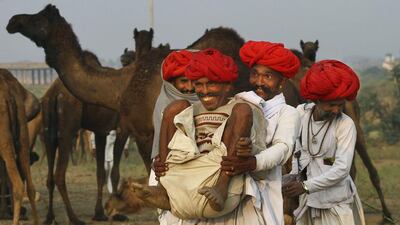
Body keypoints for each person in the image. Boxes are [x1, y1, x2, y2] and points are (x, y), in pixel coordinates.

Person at [153, 41, 301, 225]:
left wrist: (251, 162)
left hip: (259, 193)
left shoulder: (288, 113)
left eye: (268, 76)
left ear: (282, 83)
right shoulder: (237, 101)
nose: (259, 82)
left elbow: (282, 150)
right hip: (216, 189)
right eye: (255, 74)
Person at [134, 48, 267, 220]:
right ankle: (164, 188)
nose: (204, 91)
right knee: (176, 107)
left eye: (211, 84)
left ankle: (221, 187)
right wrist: (161, 163)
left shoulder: (242, 108)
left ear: (227, 86)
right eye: (198, 84)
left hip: (219, 176)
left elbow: (259, 150)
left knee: (242, 110)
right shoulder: (187, 110)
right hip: (186, 177)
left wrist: (247, 149)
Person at [282, 60, 366, 225]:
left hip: (335, 204)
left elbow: (342, 168)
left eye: (340, 105)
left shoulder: (345, 124)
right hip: (307, 202)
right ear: (317, 100)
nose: (336, 110)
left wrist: (305, 186)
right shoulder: (300, 114)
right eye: (331, 105)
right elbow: (298, 153)